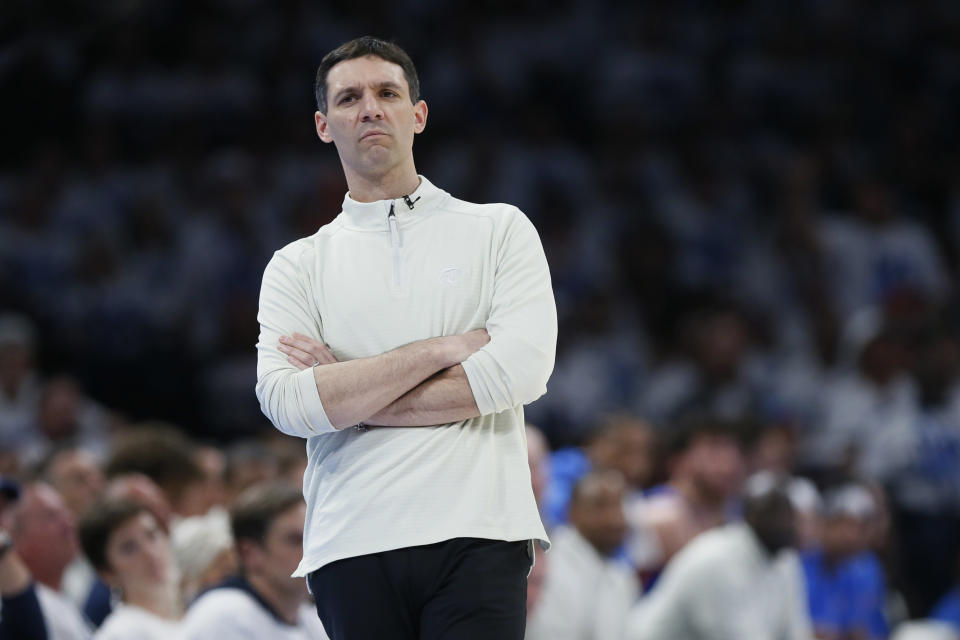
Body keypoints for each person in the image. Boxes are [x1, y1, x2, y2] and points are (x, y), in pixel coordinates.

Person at [254, 36, 556, 639]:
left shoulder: (499, 230)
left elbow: (521, 371)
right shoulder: (296, 265)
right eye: (349, 98)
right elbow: (288, 404)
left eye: (387, 93)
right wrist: (441, 349)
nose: (370, 108)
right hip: (352, 538)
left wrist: (348, 397)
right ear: (323, 125)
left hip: (480, 530)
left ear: (417, 114)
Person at [626, 473, 813, 640]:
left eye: (787, 515)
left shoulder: (786, 559)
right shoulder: (718, 559)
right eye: (772, 514)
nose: (782, 523)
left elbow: (797, 632)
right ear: (748, 516)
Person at [181, 483, 328, 639]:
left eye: (312, 538)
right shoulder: (222, 615)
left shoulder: (311, 618)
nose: (309, 551)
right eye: (294, 540)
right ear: (249, 553)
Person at [526, 469, 639, 640]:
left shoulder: (621, 575)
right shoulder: (552, 566)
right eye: (600, 506)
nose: (613, 518)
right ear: (572, 511)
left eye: (619, 505)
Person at [78, 499, 182, 640]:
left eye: (151, 535)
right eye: (129, 548)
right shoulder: (120, 634)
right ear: (107, 573)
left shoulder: (191, 610)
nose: (150, 553)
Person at [3, 482, 92, 639]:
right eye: (52, 516)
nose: (69, 522)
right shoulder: (22, 610)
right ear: (16, 540)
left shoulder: (62, 594)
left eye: (65, 511)